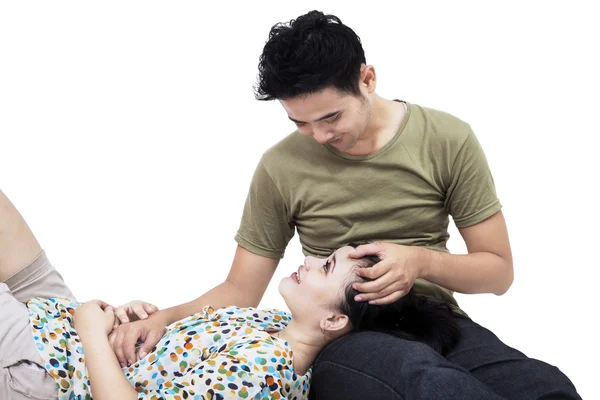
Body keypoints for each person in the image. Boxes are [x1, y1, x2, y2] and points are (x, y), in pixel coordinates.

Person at [110, 10, 581, 399]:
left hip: (434, 318)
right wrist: (165, 317)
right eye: (300, 122)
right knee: (424, 380)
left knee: (542, 385)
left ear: (367, 78)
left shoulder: (447, 139)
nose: (319, 136)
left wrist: (418, 262)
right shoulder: (280, 167)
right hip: (343, 333)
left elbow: (498, 272)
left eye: (331, 116)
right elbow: (240, 288)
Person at [5, 189, 500, 400]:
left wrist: (93, 334)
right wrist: (139, 319)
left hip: (43, 364)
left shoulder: (263, 374)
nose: (307, 260)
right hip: (61, 317)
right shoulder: (268, 326)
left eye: (325, 266)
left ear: (333, 321)